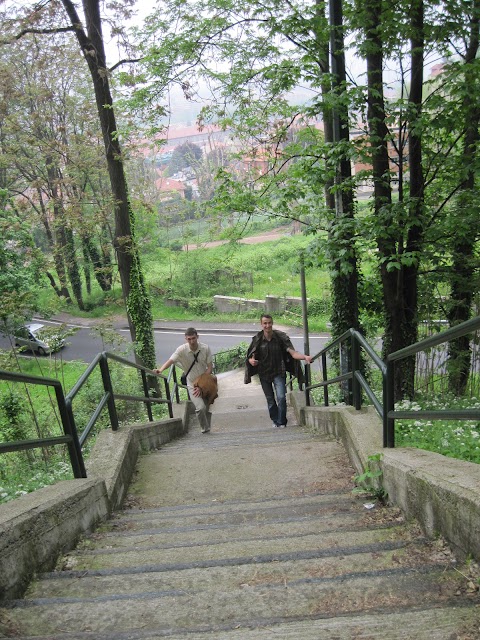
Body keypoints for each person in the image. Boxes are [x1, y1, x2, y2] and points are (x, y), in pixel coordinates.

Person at [245, 314, 313, 428]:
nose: (267, 325)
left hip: (278, 372)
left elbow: (293, 353)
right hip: (264, 373)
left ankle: (282, 422)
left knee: (281, 397)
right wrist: (251, 361)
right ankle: (275, 420)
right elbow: (251, 355)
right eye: (265, 323)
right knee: (270, 400)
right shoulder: (257, 339)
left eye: (269, 323)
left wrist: (305, 357)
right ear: (261, 325)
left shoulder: (281, 337)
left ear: (272, 323)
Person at [156, 328, 214, 433]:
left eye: (193, 338)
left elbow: (210, 367)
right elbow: (171, 360)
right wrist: (160, 370)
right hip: (192, 383)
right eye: (189, 339)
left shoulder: (205, 348)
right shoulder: (181, 350)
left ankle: (207, 425)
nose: (192, 341)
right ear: (185, 339)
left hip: (205, 382)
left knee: (206, 406)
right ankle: (205, 429)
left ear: (197, 337)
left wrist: (202, 383)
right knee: (200, 408)